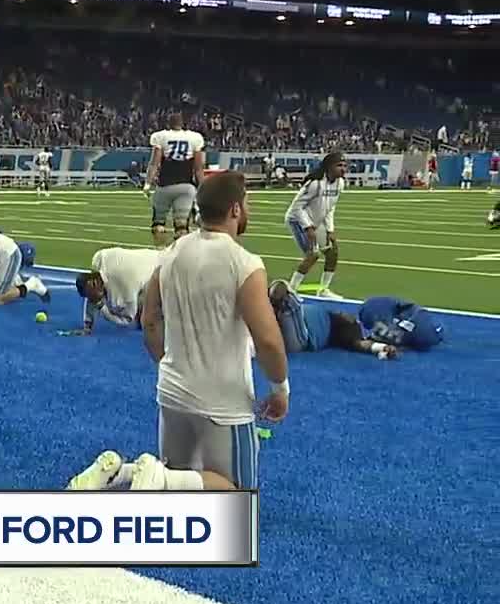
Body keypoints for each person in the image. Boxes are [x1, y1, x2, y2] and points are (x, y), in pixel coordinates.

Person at [68, 172, 288, 492]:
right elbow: (267, 339)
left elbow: (151, 320)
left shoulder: (171, 252)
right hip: (223, 401)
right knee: (237, 494)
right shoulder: (244, 263)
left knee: (183, 493)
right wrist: (280, 388)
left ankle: (121, 474)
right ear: (235, 210)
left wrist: (167, 365)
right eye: (247, 203)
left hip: (172, 391)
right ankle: (158, 477)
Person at [269, 281, 400, 359]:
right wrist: (382, 347)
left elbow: (362, 344)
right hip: (298, 333)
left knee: (286, 298)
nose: (347, 315)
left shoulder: (342, 331)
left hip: (304, 336)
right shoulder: (335, 324)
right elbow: (364, 344)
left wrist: (381, 347)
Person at [286, 151, 346, 298]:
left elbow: (330, 207)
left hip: (317, 222)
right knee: (313, 255)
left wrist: (330, 229)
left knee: (333, 252)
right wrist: (307, 227)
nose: (343, 169)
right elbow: (296, 208)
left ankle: (323, 290)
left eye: (345, 165)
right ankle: (291, 291)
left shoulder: (340, 183)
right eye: (339, 165)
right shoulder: (315, 184)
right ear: (329, 167)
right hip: (297, 220)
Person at [144, 112, 205, 248]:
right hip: (186, 187)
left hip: (165, 186)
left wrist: (148, 183)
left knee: (158, 225)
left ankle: (161, 257)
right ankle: (181, 260)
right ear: (182, 124)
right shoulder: (194, 138)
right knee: (182, 228)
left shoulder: (161, 137)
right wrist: (203, 188)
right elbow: (198, 169)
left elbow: (154, 163)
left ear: (168, 123)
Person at [73, 247, 161, 335]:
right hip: (147, 256)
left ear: (95, 283)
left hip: (159, 267)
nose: (91, 300)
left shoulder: (126, 290)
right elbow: (91, 296)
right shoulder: (99, 259)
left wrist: (103, 308)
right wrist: (87, 326)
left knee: (148, 321)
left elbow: (127, 320)